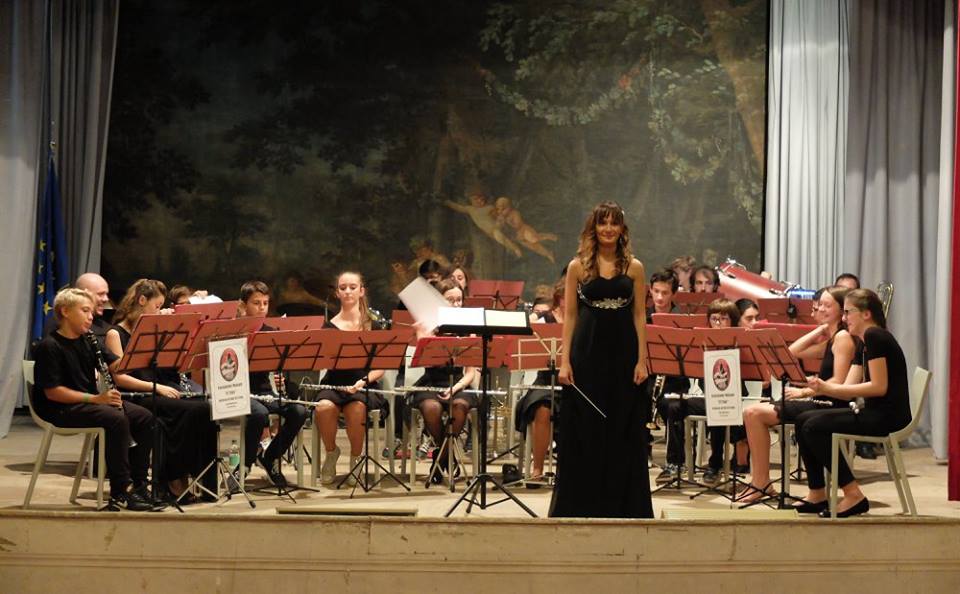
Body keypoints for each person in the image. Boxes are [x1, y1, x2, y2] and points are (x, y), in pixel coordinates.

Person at [552, 201, 652, 518]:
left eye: (614, 223)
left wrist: (642, 360)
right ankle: (583, 504)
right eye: (602, 223)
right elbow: (570, 315)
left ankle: (622, 505)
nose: (608, 229)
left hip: (624, 354)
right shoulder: (577, 267)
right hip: (587, 353)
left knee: (623, 427)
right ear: (593, 228)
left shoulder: (634, 267)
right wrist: (564, 361)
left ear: (622, 229)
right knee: (586, 428)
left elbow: (639, 315)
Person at [32, 288, 154, 510]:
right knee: (115, 419)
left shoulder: (89, 340)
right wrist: (96, 399)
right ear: (65, 311)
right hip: (60, 408)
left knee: (144, 417)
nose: (91, 317)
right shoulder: (49, 346)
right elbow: (53, 392)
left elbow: (117, 366)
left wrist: (143, 346)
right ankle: (120, 490)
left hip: (89, 402)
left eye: (91, 311)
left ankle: (139, 485)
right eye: (85, 310)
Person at [791, 289, 910, 517]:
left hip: (888, 417)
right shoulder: (864, 341)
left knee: (813, 426)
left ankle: (853, 494)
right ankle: (817, 493)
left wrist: (826, 388)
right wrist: (820, 388)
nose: (844, 318)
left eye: (848, 312)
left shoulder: (875, 336)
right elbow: (847, 390)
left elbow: (879, 387)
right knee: (803, 419)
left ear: (866, 314)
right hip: (875, 413)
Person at [104, 279, 219, 501]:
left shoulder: (153, 332)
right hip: (136, 396)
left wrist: (171, 329)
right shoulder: (115, 334)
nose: (159, 311)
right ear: (141, 300)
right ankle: (172, 478)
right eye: (157, 306)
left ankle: (200, 479)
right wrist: (156, 388)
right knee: (192, 411)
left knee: (204, 408)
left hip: (157, 390)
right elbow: (120, 377)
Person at [738, 286, 855, 503]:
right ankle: (760, 482)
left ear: (842, 310)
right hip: (819, 400)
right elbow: (792, 353)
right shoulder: (832, 338)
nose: (821, 309)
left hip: (830, 404)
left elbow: (838, 382)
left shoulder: (843, 338)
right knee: (751, 413)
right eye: (820, 305)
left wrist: (803, 392)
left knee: (753, 413)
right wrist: (820, 330)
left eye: (828, 305)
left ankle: (761, 483)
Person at [655, 298, 743, 486]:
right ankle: (675, 463)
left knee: (717, 407)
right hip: (703, 396)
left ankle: (715, 465)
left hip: (729, 398)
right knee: (674, 406)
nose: (718, 323)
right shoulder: (700, 343)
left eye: (724, 319)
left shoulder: (738, 343)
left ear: (733, 322)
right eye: (714, 319)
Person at [314, 271, 387, 484]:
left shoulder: (374, 325)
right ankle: (331, 452)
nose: (347, 291)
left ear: (361, 291)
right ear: (337, 293)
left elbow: (381, 367)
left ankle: (356, 457)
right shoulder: (328, 326)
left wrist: (362, 382)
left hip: (365, 384)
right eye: (343, 287)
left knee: (356, 408)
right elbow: (324, 361)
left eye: (353, 287)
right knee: (323, 408)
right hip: (335, 382)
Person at [237, 281, 309, 487]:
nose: (262, 308)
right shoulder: (233, 331)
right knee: (259, 414)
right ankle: (246, 463)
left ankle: (269, 457)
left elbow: (278, 366)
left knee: (299, 411)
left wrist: (279, 377)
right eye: (256, 303)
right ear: (243, 305)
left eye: (265, 303)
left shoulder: (270, 332)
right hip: (239, 391)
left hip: (265, 392)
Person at [409, 279, 478, 483]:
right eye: (450, 300)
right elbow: (424, 361)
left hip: (459, 383)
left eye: (459, 300)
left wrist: (455, 388)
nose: (456, 304)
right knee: (432, 408)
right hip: (430, 382)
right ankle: (448, 456)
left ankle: (439, 459)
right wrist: (422, 334)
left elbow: (470, 373)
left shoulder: (469, 328)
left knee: (459, 405)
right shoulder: (427, 326)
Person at [515, 277, 565, 484]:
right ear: (559, 298)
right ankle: (537, 468)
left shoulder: (581, 319)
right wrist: (534, 317)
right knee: (542, 408)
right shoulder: (544, 319)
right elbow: (524, 329)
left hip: (572, 381)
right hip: (545, 380)